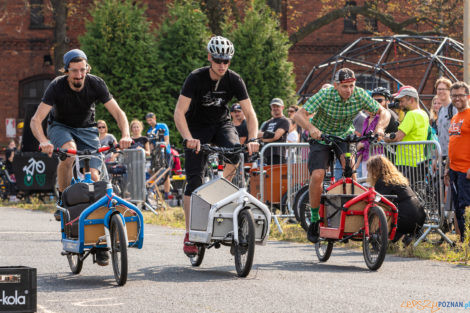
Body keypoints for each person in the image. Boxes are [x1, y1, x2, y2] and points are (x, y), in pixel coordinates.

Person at [30, 49, 132, 266]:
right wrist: (44, 141)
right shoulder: (56, 86)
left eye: (82, 70)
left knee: (94, 176)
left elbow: (118, 113)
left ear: (87, 69)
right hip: (60, 127)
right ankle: (63, 200)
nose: (78, 75)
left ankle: (101, 243)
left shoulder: (96, 84)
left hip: (87, 130)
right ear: (66, 71)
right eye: (74, 71)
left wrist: (126, 135)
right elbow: (36, 120)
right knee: (68, 154)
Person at [174, 36, 259, 255]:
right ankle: (190, 232)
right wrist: (187, 138)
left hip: (221, 124)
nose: (222, 65)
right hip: (197, 128)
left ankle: (221, 192)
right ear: (210, 57)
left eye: (226, 61)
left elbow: (250, 113)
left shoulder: (234, 79)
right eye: (218, 60)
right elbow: (179, 112)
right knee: (194, 181)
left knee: (234, 152)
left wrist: (253, 139)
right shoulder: (195, 78)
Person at [294, 68, 390, 243]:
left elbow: (384, 112)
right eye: (345, 86)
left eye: (352, 86)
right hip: (321, 138)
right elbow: (299, 114)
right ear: (336, 85)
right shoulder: (325, 95)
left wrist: (380, 129)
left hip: (343, 137)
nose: (349, 90)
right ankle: (315, 219)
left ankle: (351, 218)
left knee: (350, 171)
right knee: (318, 175)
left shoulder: (359, 95)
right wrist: (311, 128)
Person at [366, 155, 426, 245]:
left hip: (405, 219)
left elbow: (377, 201)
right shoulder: (398, 179)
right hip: (420, 217)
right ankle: (410, 237)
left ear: (374, 170)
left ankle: (398, 238)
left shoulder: (383, 182)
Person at [384, 86, 429, 186]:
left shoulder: (411, 114)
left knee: (403, 194)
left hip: (406, 161)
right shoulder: (424, 113)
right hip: (418, 160)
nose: (400, 104)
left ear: (412, 99)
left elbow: (398, 137)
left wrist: (385, 138)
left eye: (402, 101)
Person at [445, 81, 470, 242]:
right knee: (458, 208)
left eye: (460, 95)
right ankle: (463, 241)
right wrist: (447, 168)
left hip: (466, 169)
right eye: (453, 96)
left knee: (466, 206)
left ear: (468, 96)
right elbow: (452, 143)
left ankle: (467, 240)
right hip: (454, 169)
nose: (456, 99)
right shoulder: (455, 117)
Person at [145, 112, 171, 198]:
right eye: (148, 120)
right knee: (153, 172)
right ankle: (154, 192)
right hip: (155, 154)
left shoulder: (162, 126)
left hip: (165, 152)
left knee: (165, 173)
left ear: (155, 118)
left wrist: (162, 147)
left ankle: (167, 194)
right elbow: (150, 144)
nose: (150, 122)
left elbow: (167, 140)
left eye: (151, 120)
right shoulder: (149, 130)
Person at [258, 98, 290, 165]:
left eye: (277, 106)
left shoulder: (284, 121)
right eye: (273, 106)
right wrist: (268, 136)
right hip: (266, 154)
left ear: (282, 107)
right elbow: (258, 135)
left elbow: (276, 136)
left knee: (277, 175)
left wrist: (263, 139)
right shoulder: (268, 122)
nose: (275, 108)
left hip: (278, 154)